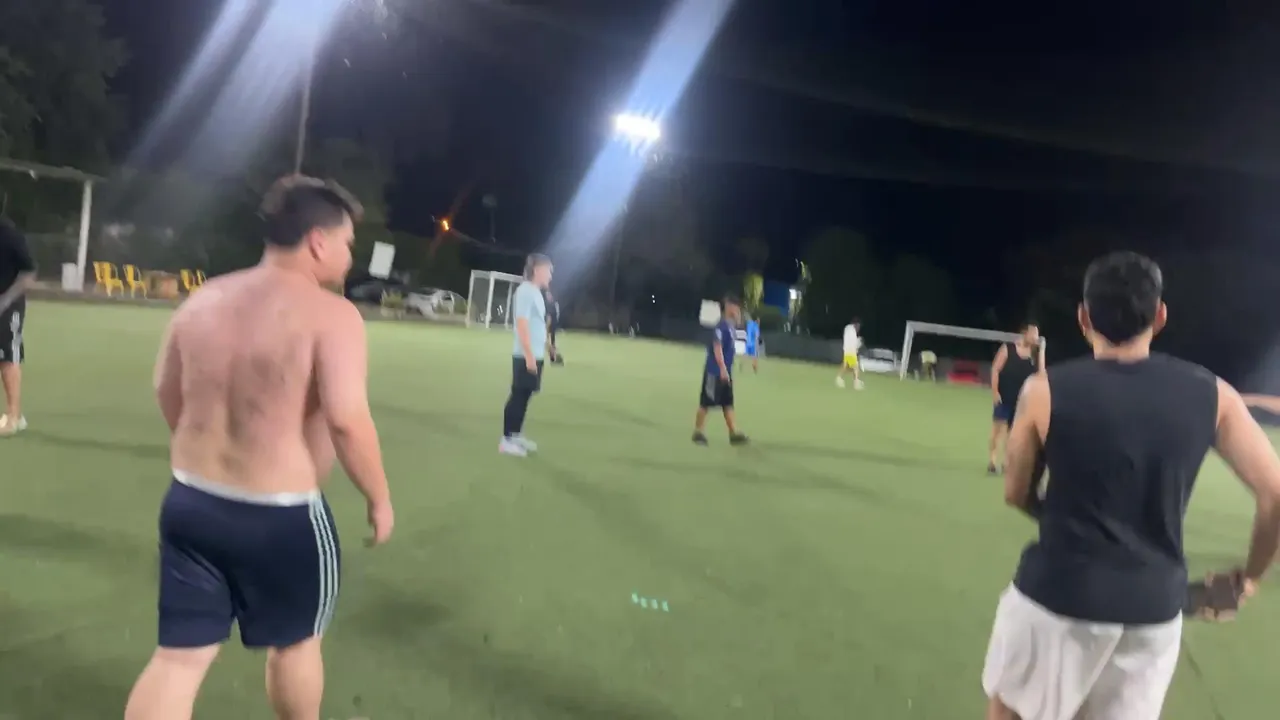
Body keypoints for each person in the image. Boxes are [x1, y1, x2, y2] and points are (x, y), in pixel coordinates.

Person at [124, 176, 395, 720]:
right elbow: (347, 421)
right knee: (295, 645)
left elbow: (165, 389)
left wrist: (212, 451)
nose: (349, 256)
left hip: (192, 503)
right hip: (282, 518)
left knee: (179, 659)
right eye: (347, 243)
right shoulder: (333, 315)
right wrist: (379, 498)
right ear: (317, 241)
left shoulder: (204, 298)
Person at [983, 251, 1280, 720]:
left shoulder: (1044, 390)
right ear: (1159, 316)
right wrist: (1249, 578)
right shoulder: (1214, 395)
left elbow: (1015, 492)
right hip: (1152, 616)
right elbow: (1276, 493)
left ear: (1084, 318)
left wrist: (1057, 514)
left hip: (1056, 599)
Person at [501, 253, 552, 457]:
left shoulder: (536, 292)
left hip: (535, 354)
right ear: (537, 270)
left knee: (526, 396)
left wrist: (548, 346)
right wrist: (529, 355)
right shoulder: (525, 292)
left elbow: (537, 324)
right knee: (518, 395)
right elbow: (521, 325)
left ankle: (515, 435)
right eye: (548, 271)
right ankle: (506, 440)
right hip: (525, 356)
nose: (550, 276)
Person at [988, 322, 1044, 473]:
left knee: (1013, 434)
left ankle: (1007, 462)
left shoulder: (1035, 354)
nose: (1035, 337)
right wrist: (995, 392)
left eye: (1037, 335)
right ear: (1025, 333)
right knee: (997, 430)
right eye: (1033, 334)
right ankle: (992, 461)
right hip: (1004, 397)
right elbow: (995, 369)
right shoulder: (1008, 348)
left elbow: (1041, 374)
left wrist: (1042, 350)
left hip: (1022, 402)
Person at [693, 295, 748, 446]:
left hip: (725, 373)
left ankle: (733, 433)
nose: (737, 309)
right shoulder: (720, 327)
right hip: (714, 372)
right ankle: (698, 432)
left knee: (727, 403)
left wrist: (737, 318)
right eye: (734, 306)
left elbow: (738, 330)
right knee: (706, 403)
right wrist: (723, 368)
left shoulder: (730, 327)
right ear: (728, 307)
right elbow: (717, 348)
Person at [0, 217, 35, 436]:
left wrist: (5, 300)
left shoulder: (10, 235)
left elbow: (28, 272)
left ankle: (14, 417)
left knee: (7, 357)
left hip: (9, 304)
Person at [836, 317, 862, 389]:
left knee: (848, 366)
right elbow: (853, 342)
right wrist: (858, 344)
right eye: (858, 326)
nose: (858, 328)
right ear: (856, 324)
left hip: (847, 350)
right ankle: (856, 382)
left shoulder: (848, 328)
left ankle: (840, 378)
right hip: (851, 351)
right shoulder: (852, 330)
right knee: (855, 367)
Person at [545, 287, 564, 365]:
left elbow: (549, 318)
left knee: (548, 343)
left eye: (548, 295)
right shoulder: (555, 304)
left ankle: (554, 358)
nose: (547, 297)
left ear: (551, 296)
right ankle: (554, 358)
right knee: (551, 343)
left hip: (551, 326)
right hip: (554, 326)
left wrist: (546, 328)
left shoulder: (551, 305)